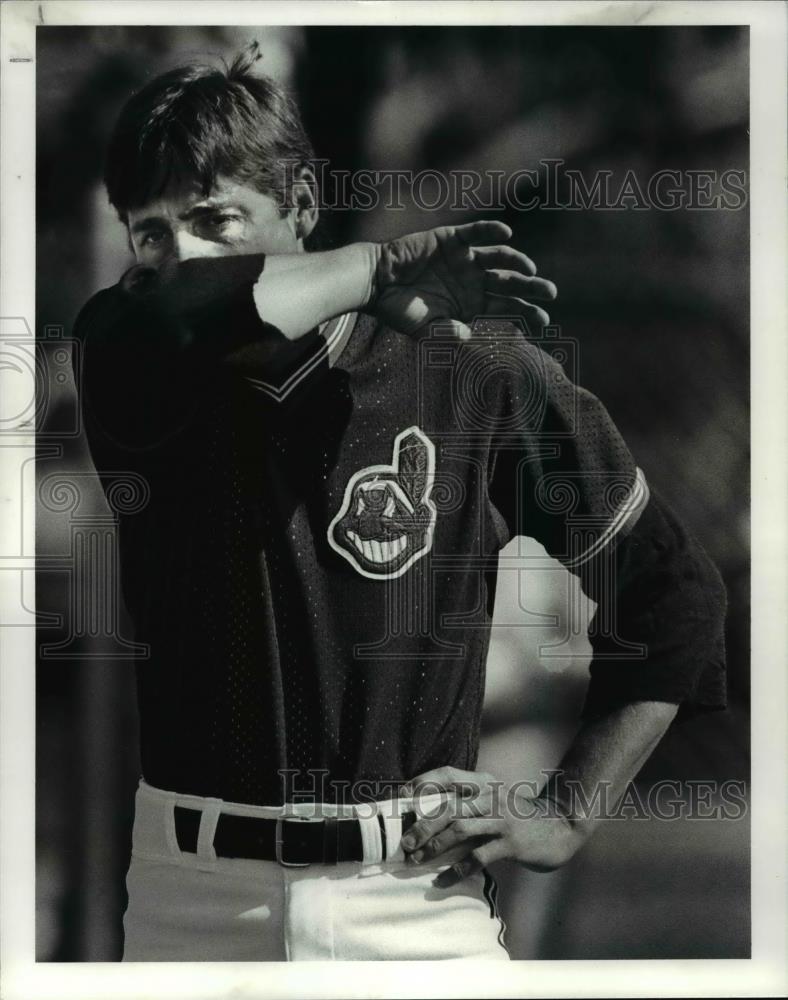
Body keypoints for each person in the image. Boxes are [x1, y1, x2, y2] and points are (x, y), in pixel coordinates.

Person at [72, 44, 728, 961]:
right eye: (149, 232)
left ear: (301, 208)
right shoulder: (129, 352)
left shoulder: (471, 372)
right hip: (193, 904)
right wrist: (384, 263)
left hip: (417, 904)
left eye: (214, 221)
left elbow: (676, 599)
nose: (175, 258)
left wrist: (567, 809)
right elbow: (180, 311)